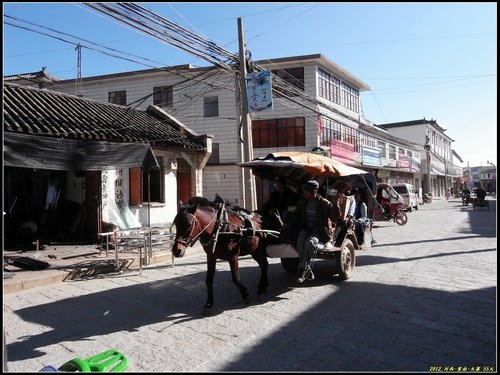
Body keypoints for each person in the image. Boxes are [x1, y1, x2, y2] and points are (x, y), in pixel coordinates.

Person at [288, 180, 333, 283]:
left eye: (307, 191)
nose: (305, 193)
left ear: (315, 191)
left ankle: (303, 270)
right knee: (300, 241)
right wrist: (289, 225)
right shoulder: (302, 202)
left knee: (310, 243)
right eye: (304, 190)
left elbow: (334, 216)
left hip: (319, 230)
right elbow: (296, 216)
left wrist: (334, 206)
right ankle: (307, 268)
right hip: (306, 228)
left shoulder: (324, 203)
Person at [329, 180, 356, 248]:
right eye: (347, 189)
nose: (349, 191)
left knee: (343, 225)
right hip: (332, 217)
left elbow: (350, 213)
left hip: (344, 219)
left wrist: (348, 217)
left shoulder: (351, 199)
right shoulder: (332, 196)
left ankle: (337, 242)